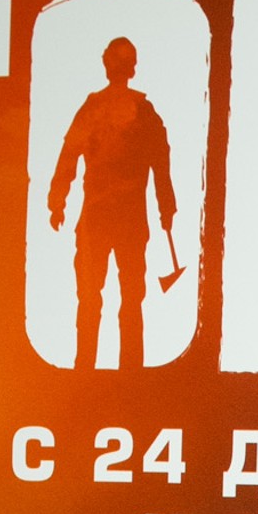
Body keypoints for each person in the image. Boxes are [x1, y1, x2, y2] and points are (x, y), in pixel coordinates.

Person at [47, 37, 176, 374]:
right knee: (127, 298)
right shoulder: (142, 111)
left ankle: (87, 371)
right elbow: (161, 163)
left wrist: (57, 200)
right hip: (122, 218)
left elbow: (69, 154)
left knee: (95, 298)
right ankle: (125, 372)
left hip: (101, 218)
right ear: (132, 68)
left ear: (108, 65)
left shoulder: (96, 108)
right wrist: (166, 206)